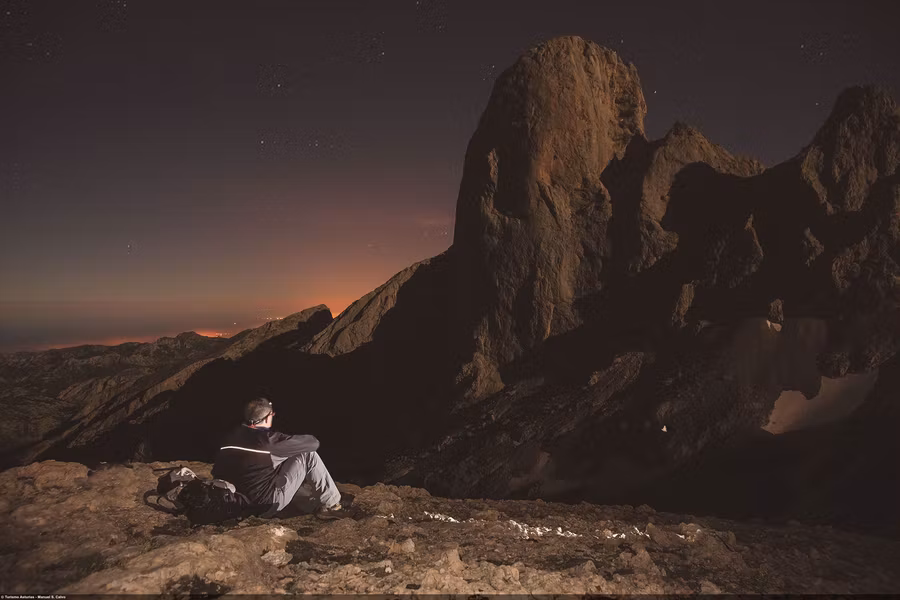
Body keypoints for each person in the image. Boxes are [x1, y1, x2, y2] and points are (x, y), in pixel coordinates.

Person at [212, 397, 342, 518]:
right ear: (268, 417)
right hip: (265, 506)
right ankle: (332, 506)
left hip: (235, 502)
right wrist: (286, 440)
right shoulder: (268, 442)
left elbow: (217, 472)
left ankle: (308, 499)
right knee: (307, 454)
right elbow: (313, 443)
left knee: (271, 462)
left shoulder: (229, 438)